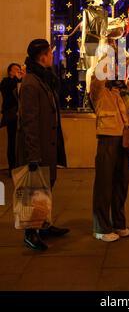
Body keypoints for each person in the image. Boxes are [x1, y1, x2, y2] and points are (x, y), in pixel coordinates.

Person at [16, 39, 69, 251]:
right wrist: (33, 155)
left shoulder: (42, 79)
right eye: (49, 53)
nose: (52, 56)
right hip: (37, 149)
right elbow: (29, 121)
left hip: (48, 145)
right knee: (33, 190)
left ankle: (44, 225)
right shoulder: (31, 83)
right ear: (42, 56)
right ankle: (31, 233)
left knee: (45, 187)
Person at [90, 43, 129, 242]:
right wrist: (107, 57)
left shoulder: (126, 91)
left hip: (126, 140)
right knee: (104, 183)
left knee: (122, 183)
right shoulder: (101, 92)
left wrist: (126, 57)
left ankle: (119, 223)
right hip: (108, 139)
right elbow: (97, 79)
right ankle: (101, 227)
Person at [0, 63, 23, 176]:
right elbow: (7, 92)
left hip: (22, 116)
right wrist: (16, 79)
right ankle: (12, 168)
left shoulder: (23, 81)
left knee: (21, 143)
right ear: (10, 72)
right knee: (12, 141)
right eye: (15, 69)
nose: (18, 71)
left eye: (19, 69)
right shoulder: (6, 81)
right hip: (12, 116)